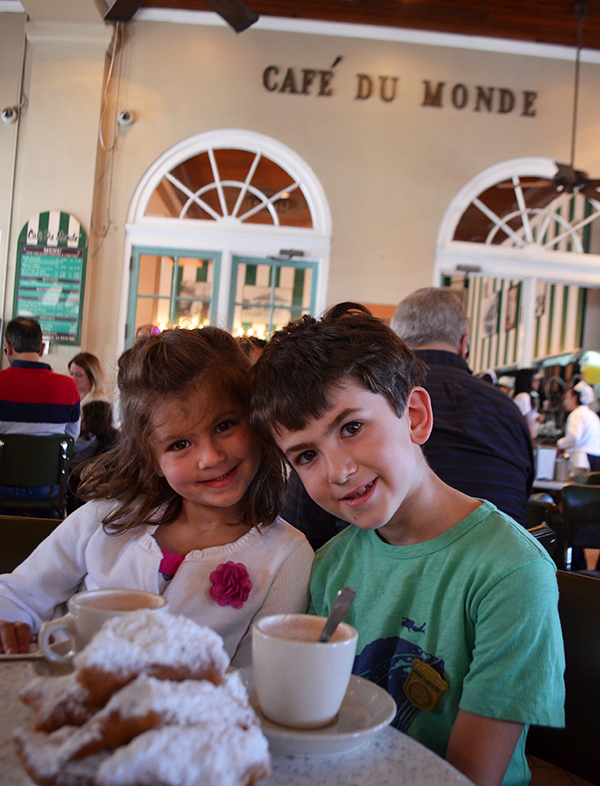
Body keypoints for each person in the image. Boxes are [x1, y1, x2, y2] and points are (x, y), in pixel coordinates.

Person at [250, 303, 564, 786]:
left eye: (352, 427)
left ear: (414, 416)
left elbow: (471, 775)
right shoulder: (331, 565)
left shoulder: (510, 572)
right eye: (307, 455)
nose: (338, 471)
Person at [0, 327, 314, 666]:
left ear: (255, 421)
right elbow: (19, 594)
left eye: (224, 425)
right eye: (179, 444)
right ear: (153, 459)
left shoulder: (286, 556)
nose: (210, 457)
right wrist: (11, 621)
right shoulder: (104, 517)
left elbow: (253, 680)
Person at [391, 288, 534, 525]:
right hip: (499, 553)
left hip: (391, 557)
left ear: (394, 342)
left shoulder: (380, 399)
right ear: (464, 343)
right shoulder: (508, 410)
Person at [0, 316, 79, 440]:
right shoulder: (68, 386)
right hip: (51, 459)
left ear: (8, 347)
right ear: (42, 348)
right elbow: (71, 437)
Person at [557, 379, 600, 472]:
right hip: (596, 457)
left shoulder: (576, 414)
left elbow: (573, 438)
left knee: (576, 484)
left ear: (575, 398)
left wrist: (560, 444)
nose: (565, 402)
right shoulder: (592, 414)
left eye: (567, 398)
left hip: (582, 459)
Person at [512, 368, 539, 443]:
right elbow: (525, 422)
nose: (538, 383)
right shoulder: (524, 397)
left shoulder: (522, 397)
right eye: (535, 380)